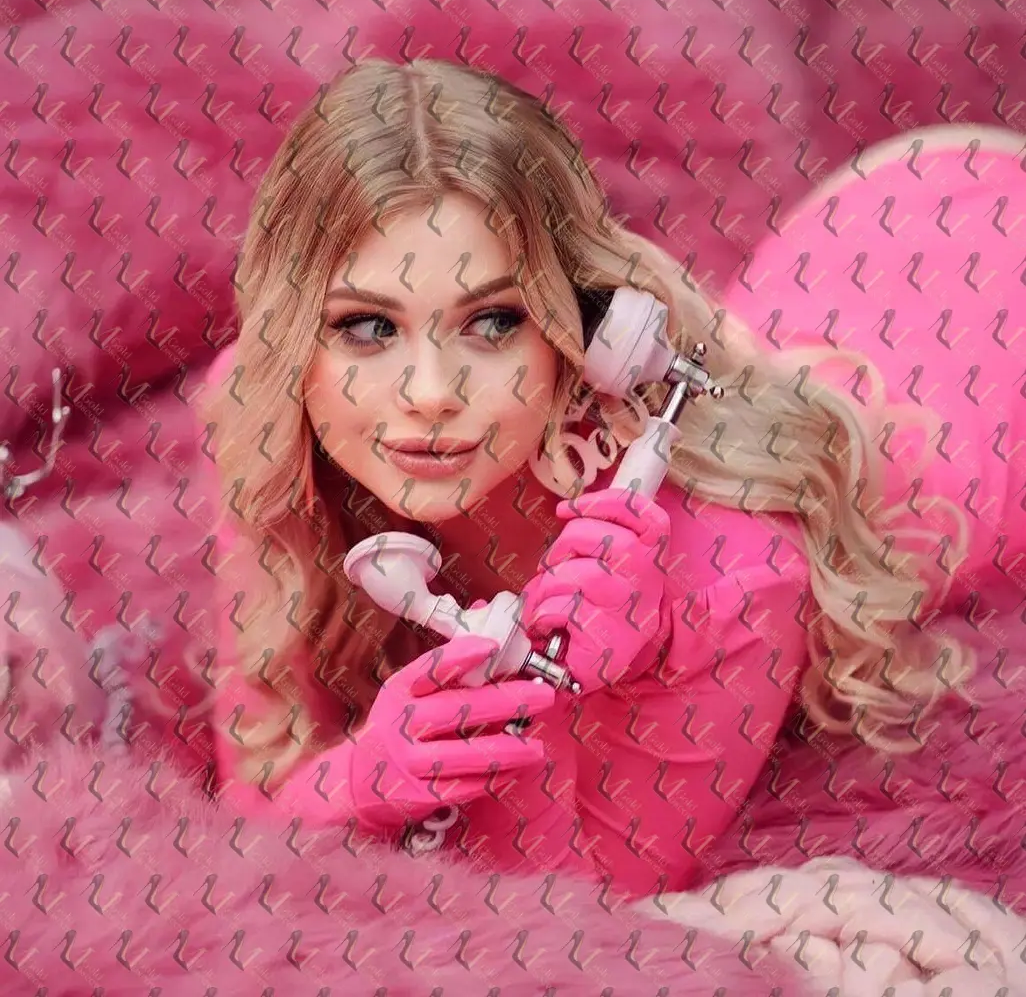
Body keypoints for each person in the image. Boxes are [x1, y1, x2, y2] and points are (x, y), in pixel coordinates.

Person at [203, 58, 1026, 898]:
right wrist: (358, 781)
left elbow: (581, 916)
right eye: (369, 327)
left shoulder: (732, 571)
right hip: (852, 240)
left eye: (494, 320)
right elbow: (253, 793)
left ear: (589, 330)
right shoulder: (277, 424)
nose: (430, 393)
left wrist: (571, 691)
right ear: (289, 338)